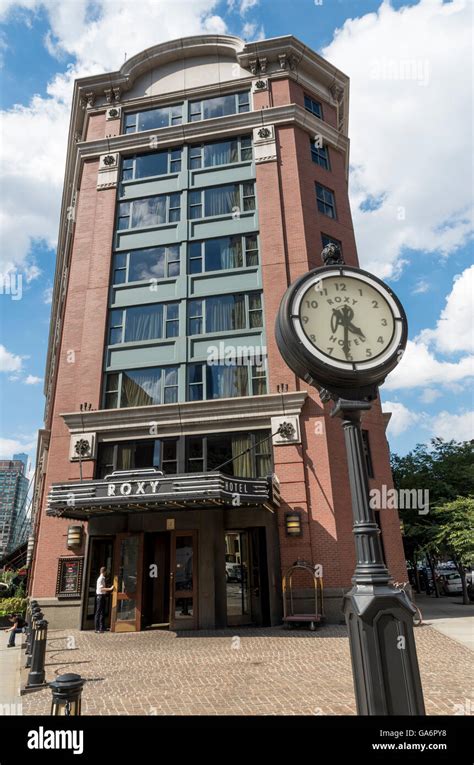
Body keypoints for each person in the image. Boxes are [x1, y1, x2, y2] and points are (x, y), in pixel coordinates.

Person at [94, 566, 114, 633]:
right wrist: (110, 589)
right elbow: (101, 589)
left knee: (102, 612)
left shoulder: (102, 578)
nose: (106, 573)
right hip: (100, 596)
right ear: (104, 572)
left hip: (102, 596)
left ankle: (102, 627)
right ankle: (97, 628)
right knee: (98, 612)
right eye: (106, 571)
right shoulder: (101, 579)